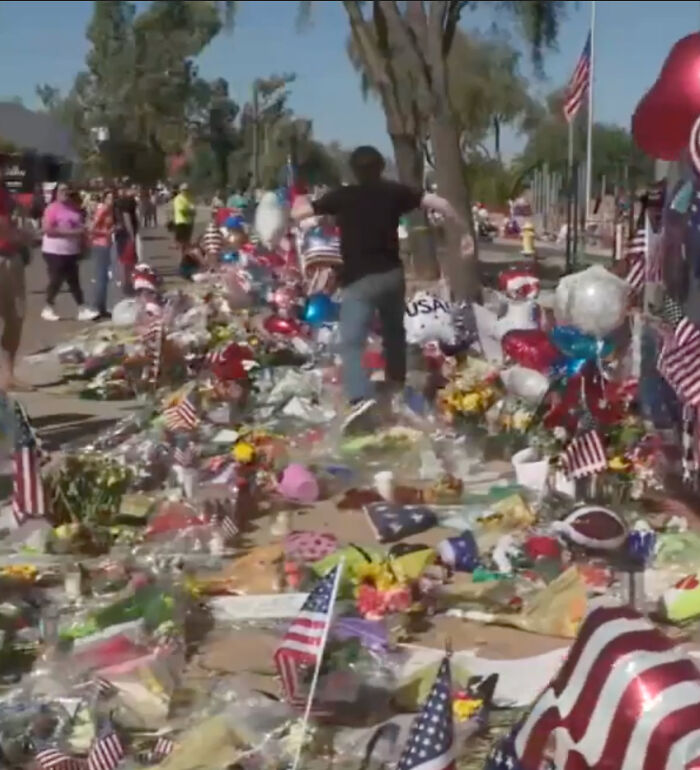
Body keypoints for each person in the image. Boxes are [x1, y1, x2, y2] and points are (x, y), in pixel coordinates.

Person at [291, 144, 472, 434]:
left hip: (359, 281)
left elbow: (300, 213)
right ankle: (396, 389)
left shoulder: (343, 196)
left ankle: (361, 398)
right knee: (393, 336)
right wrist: (463, 231)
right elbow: (441, 204)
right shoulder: (395, 192)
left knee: (351, 342)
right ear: (380, 168)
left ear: (353, 170)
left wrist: (297, 199)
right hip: (392, 276)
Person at [40, 183, 97, 322]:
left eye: (68, 190)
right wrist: (72, 232)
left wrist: (84, 244)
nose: (66, 192)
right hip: (54, 250)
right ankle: (48, 307)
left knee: (74, 281)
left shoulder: (74, 208)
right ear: (56, 193)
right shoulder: (52, 208)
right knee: (56, 279)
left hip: (71, 251)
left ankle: (82, 308)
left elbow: (81, 227)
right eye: (62, 190)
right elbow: (48, 229)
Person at [0, 165, 33, 391]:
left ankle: (8, 376)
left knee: (14, 317)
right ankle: (7, 375)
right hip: (5, 258)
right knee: (15, 315)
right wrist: (24, 237)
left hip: (8, 256)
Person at [90, 189, 115, 320]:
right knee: (100, 277)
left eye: (113, 198)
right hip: (100, 244)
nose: (111, 201)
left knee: (104, 278)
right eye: (109, 198)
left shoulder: (110, 211)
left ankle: (102, 307)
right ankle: (97, 308)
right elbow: (92, 228)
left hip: (107, 244)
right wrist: (107, 233)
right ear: (104, 199)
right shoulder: (103, 210)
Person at [173, 183, 196, 264]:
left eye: (187, 190)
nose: (185, 191)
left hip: (189, 222)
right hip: (181, 222)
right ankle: (182, 259)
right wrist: (190, 211)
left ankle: (186, 258)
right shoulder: (178, 199)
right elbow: (182, 211)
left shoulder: (189, 198)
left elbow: (194, 210)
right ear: (180, 190)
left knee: (187, 242)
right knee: (182, 243)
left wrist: (191, 212)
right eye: (184, 190)